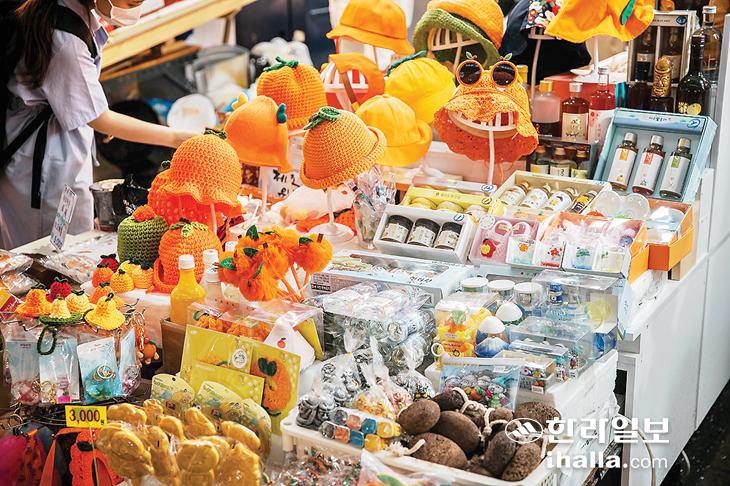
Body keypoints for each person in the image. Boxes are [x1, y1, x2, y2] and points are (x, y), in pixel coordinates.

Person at [0, 0, 199, 249]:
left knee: (62, 247)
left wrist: (88, 111)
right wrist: (176, 138)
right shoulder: (65, 37)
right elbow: (101, 118)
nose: (134, 9)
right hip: (42, 169)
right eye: (131, 2)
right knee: (49, 254)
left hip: (48, 149)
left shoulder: (71, 12)